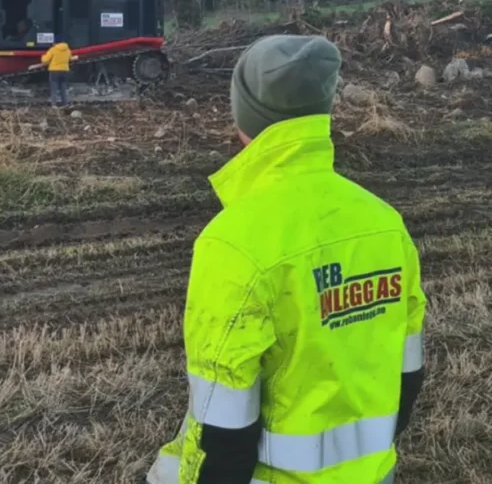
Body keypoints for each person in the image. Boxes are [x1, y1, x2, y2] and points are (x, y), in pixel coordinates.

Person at [146, 35, 426, 484]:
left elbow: (224, 433)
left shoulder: (232, 243)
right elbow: (409, 376)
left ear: (244, 116)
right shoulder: (385, 224)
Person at [40, 39, 72, 107]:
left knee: (54, 89)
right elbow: (70, 59)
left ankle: (54, 105)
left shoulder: (53, 49)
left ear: (55, 43)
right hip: (64, 71)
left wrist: (42, 56)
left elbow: (45, 60)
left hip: (54, 71)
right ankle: (65, 104)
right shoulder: (68, 50)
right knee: (63, 89)